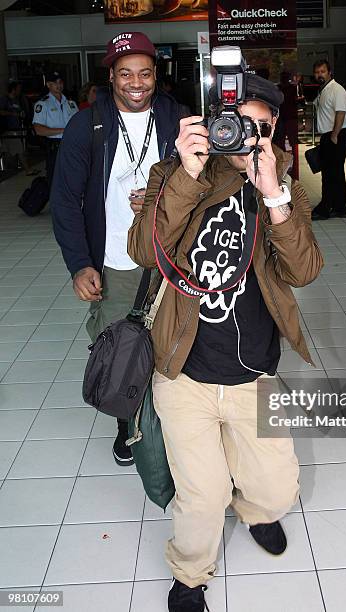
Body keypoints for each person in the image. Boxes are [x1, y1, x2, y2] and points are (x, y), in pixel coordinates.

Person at [127, 72, 323, 612]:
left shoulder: (283, 180)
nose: (248, 140)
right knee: (202, 497)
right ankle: (190, 577)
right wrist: (186, 176)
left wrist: (274, 197)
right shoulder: (176, 170)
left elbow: (303, 270)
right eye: (237, 126)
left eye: (260, 128)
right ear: (215, 126)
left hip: (254, 371)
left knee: (278, 491)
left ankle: (255, 511)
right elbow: (143, 250)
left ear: (275, 127)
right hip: (184, 370)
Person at [51, 32, 182, 467]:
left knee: (173, 346)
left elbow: (199, 185)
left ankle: (173, 426)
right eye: (125, 73)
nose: (136, 82)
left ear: (155, 75)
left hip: (170, 259)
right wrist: (79, 264)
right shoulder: (85, 125)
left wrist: (161, 198)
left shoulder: (177, 119)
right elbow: (66, 201)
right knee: (117, 348)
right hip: (113, 260)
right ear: (111, 76)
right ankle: (126, 425)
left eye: (144, 72)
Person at [311, 59, 346, 220]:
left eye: (322, 71)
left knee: (330, 174)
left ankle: (325, 209)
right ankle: (339, 207)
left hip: (337, 135)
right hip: (329, 135)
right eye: (317, 72)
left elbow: (340, 112)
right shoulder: (324, 90)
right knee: (334, 173)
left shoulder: (337, 89)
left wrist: (334, 135)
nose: (320, 75)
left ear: (329, 72)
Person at [32, 72, 78, 187]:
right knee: (55, 179)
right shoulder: (43, 104)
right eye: (54, 83)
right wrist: (63, 130)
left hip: (72, 144)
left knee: (74, 176)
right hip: (55, 146)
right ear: (48, 85)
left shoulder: (71, 103)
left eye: (60, 82)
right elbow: (39, 130)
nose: (59, 85)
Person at [0, 81, 38, 176]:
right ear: (13, 89)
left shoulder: (16, 100)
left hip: (16, 129)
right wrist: (13, 114)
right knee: (19, 149)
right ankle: (27, 169)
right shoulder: (5, 100)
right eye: (18, 89)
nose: (19, 91)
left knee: (9, 150)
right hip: (8, 130)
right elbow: (1, 112)